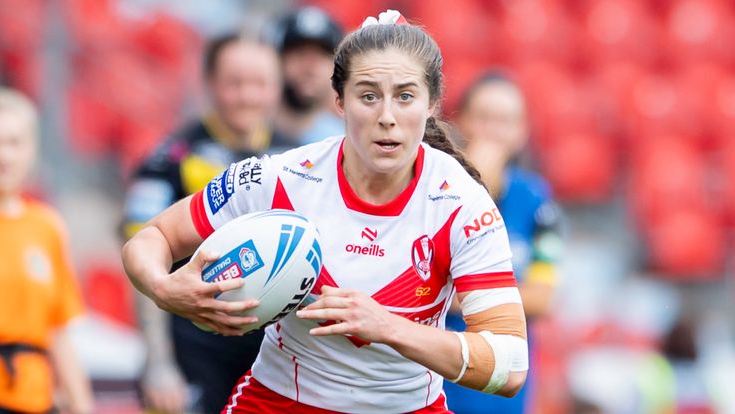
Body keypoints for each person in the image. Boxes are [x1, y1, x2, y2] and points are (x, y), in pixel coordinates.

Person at [122, 10, 528, 413]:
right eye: (368, 95)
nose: (387, 117)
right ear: (338, 101)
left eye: (405, 96)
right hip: (280, 403)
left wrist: (387, 327)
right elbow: (152, 238)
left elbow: (509, 367)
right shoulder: (281, 177)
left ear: (431, 104)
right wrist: (163, 287)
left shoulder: (461, 204)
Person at [122, 33, 290, 414]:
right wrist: (159, 363)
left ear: (277, 87)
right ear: (211, 84)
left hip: (271, 358)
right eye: (235, 83)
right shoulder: (171, 158)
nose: (248, 96)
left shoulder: (296, 160)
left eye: (259, 83)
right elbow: (141, 254)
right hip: (192, 351)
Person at [443, 73, 563, 413]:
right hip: (438, 378)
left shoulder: (538, 200)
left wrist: (467, 293)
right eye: (484, 118)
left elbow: (543, 297)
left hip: (502, 386)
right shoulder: (437, 189)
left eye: (506, 121)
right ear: (460, 120)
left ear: (522, 131)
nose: (494, 131)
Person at [0, 87, 93, 414]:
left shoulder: (46, 226)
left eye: (14, 143)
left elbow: (58, 330)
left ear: (32, 150)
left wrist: (81, 405)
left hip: (35, 398)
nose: (4, 156)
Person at [268, 6, 345, 146]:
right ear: (277, 60)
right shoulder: (249, 131)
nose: (309, 67)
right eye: (299, 54)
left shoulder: (343, 142)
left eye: (321, 55)